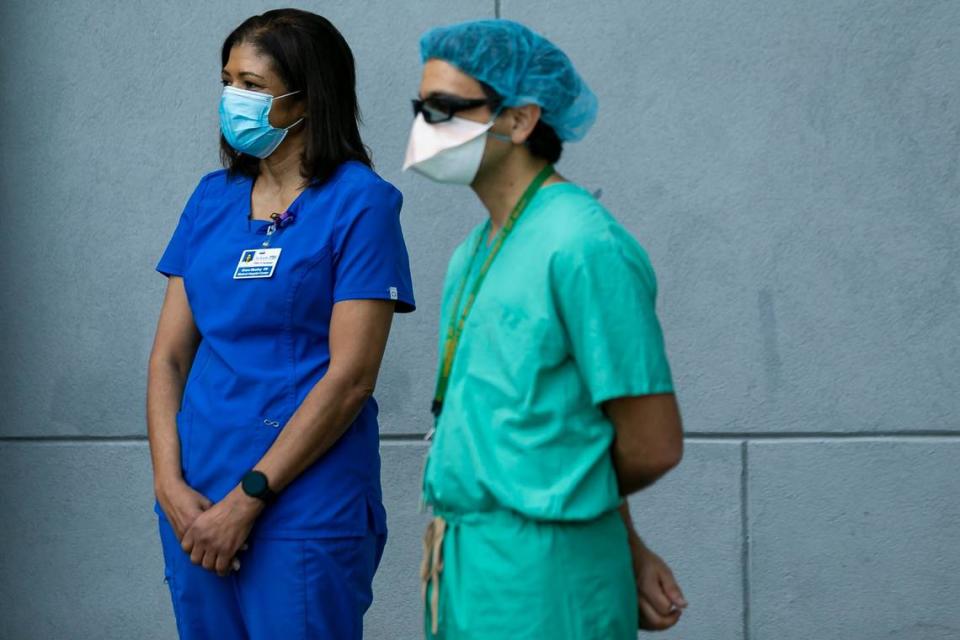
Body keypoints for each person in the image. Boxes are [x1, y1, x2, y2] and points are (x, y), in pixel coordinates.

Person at [405, 19, 687, 639]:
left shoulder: (583, 245)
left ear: (519, 119)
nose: (425, 127)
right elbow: (565, 424)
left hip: (548, 576)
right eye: (420, 107)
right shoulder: (474, 252)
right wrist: (631, 539)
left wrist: (576, 512)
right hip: (468, 568)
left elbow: (651, 443)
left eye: (445, 108)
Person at [146, 9, 415, 639]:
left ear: (305, 98)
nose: (232, 99)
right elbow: (169, 360)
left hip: (299, 503)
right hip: (196, 498)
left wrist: (249, 499)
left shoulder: (360, 203)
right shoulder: (210, 199)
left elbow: (351, 378)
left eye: (252, 86)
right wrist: (168, 484)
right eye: (227, 81)